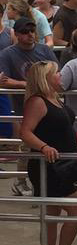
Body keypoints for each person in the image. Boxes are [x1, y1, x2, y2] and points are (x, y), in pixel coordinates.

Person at [20, 62, 77, 245]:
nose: (60, 75)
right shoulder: (37, 101)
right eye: (56, 73)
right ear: (46, 78)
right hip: (50, 166)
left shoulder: (55, 98)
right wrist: (44, 147)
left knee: (52, 214)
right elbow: (25, 132)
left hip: (64, 164)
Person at [0, 16, 57, 196]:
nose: (30, 34)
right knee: (27, 146)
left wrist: (24, 84)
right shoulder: (8, 54)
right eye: (25, 32)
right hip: (24, 108)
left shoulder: (44, 50)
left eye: (32, 31)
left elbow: (56, 74)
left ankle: (47, 180)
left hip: (48, 106)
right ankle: (21, 181)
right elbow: (3, 81)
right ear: (16, 34)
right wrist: (27, 84)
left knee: (49, 143)